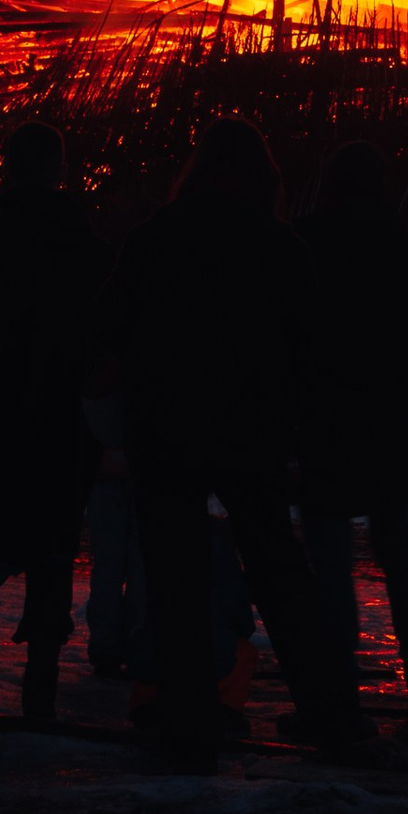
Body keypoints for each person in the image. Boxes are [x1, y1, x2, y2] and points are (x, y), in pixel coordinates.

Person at [115, 118, 341, 764]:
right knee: (279, 570)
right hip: (251, 431)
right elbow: (311, 353)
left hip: (168, 429)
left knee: (174, 574)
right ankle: (328, 709)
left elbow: (111, 332)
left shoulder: (151, 242)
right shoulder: (282, 249)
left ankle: (186, 712)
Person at [0, 120, 103, 730]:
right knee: (52, 554)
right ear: (59, 169)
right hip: (58, 419)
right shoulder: (85, 243)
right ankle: (39, 694)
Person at [297, 143, 408, 729]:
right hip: (382, 417)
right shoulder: (399, 242)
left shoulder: (307, 241)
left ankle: (336, 692)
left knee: (328, 555)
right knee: (398, 549)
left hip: (324, 419)